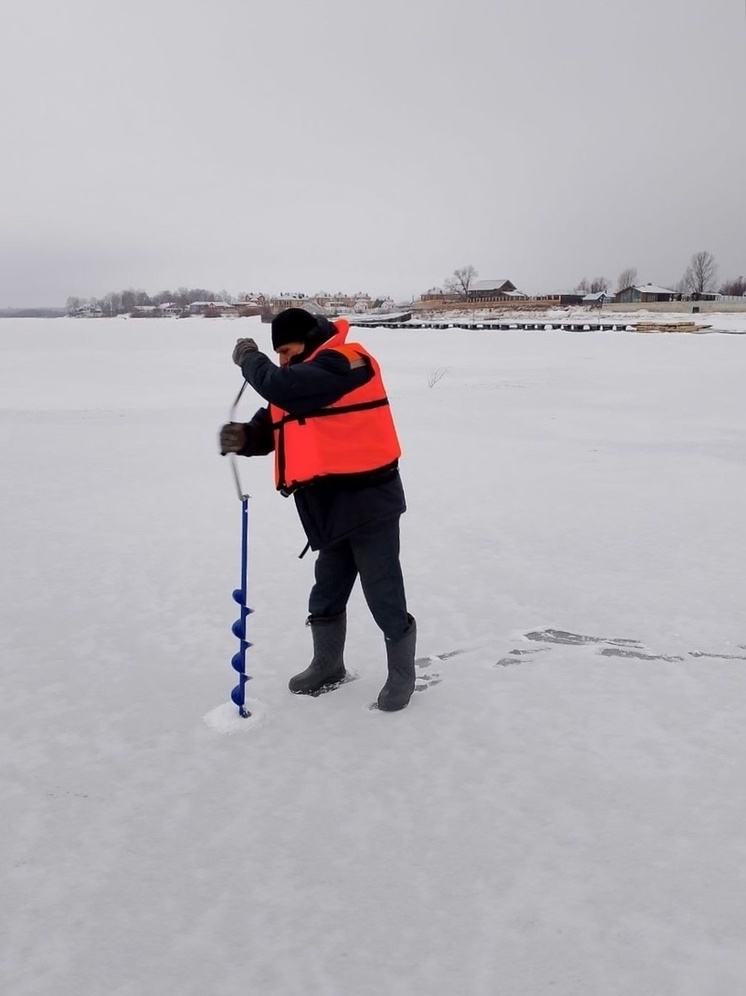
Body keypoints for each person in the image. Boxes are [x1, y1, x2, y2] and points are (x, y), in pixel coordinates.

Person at [219, 307, 416, 712]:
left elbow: (282, 387)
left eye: (287, 351)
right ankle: (327, 665)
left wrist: (249, 359)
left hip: (370, 503)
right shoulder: (301, 380)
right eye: (279, 357)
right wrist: (244, 437)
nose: (284, 361)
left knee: (383, 594)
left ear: (308, 338)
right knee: (326, 590)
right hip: (328, 509)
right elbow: (274, 425)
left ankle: (401, 674)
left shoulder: (347, 362)